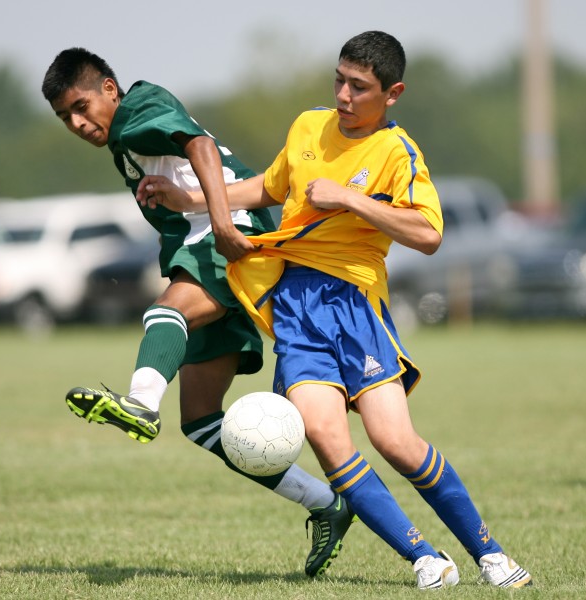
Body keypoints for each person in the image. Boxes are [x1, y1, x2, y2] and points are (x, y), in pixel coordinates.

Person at [140, 30, 533, 590]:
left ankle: (490, 553)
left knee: (396, 442)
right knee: (326, 439)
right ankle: (424, 558)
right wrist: (194, 200)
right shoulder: (307, 126)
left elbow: (429, 234)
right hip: (297, 307)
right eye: (340, 80)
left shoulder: (398, 153)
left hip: (355, 305)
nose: (344, 95)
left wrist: (352, 199)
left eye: (360, 86)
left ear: (392, 93)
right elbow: (268, 188)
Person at [40, 47, 356, 578]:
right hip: (210, 236)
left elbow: (201, 145)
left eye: (81, 105)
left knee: (166, 314)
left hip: (225, 236)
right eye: (64, 117)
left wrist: (220, 218)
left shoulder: (138, 109)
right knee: (202, 419)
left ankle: (141, 404)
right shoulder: (126, 140)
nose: (77, 122)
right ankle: (326, 503)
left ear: (109, 90)